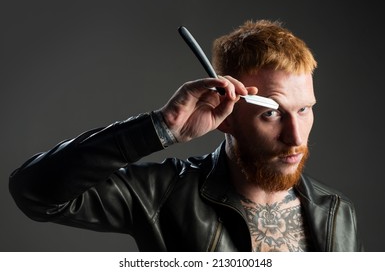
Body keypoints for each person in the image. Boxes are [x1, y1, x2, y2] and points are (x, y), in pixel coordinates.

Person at [9, 19, 363, 252]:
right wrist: (162, 127)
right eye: (270, 113)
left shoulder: (335, 212)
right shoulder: (163, 195)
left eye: (304, 109)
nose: (295, 136)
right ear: (227, 118)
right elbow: (35, 192)